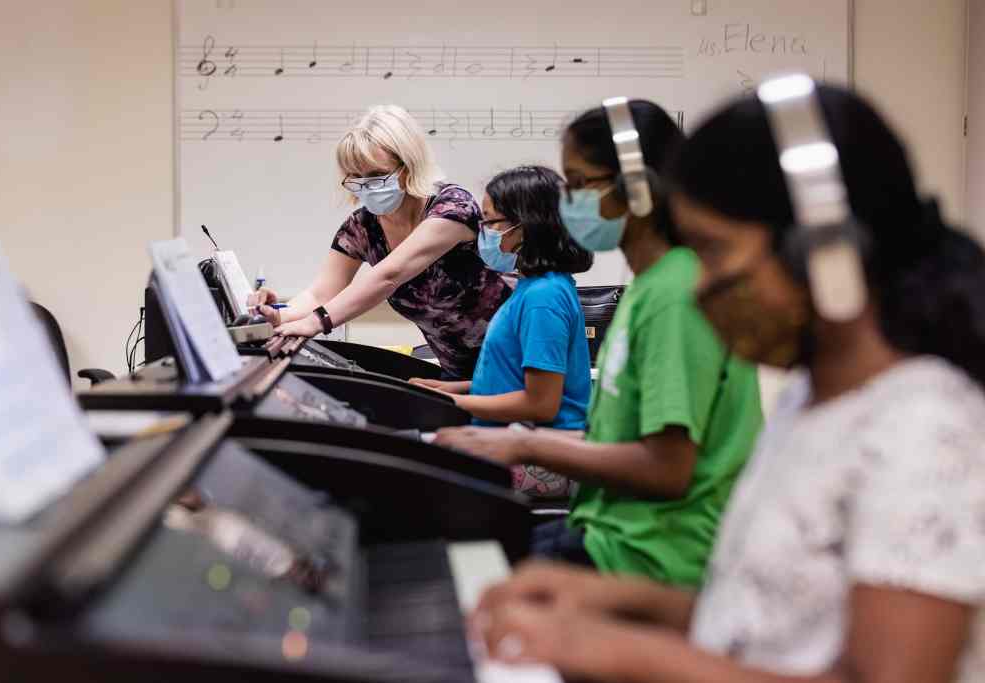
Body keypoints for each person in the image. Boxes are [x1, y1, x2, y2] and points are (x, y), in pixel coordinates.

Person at [470, 82, 985, 683]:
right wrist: (626, 608)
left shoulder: (923, 426)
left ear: (824, 251)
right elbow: (763, 626)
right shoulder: (810, 396)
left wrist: (626, 650)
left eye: (713, 252)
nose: (699, 283)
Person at [436, 100, 763, 583]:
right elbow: (617, 440)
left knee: (460, 571)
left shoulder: (677, 295)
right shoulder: (649, 287)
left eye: (580, 184)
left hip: (653, 553)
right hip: (613, 528)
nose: (568, 203)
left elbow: (667, 467)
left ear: (639, 188)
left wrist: (526, 447)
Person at [249, 105, 510, 379]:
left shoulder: (453, 207)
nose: (366, 186)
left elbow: (390, 275)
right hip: (460, 371)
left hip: (516, 359)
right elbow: (320, 294)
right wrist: (279, 316)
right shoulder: (362, 227)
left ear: (408, 166)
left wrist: (317, 322)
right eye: (356, 177)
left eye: (376, 175)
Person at [412, 165, 593, 497]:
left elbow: (541, 404)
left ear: (527, 226)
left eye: (491, 221)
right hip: (517, 438)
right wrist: (455, 387)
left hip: (544, 456)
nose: (482, 231)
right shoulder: (531, 288)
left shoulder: (544, 297)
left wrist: (453, 402)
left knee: (410, 470)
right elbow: (515, 377)